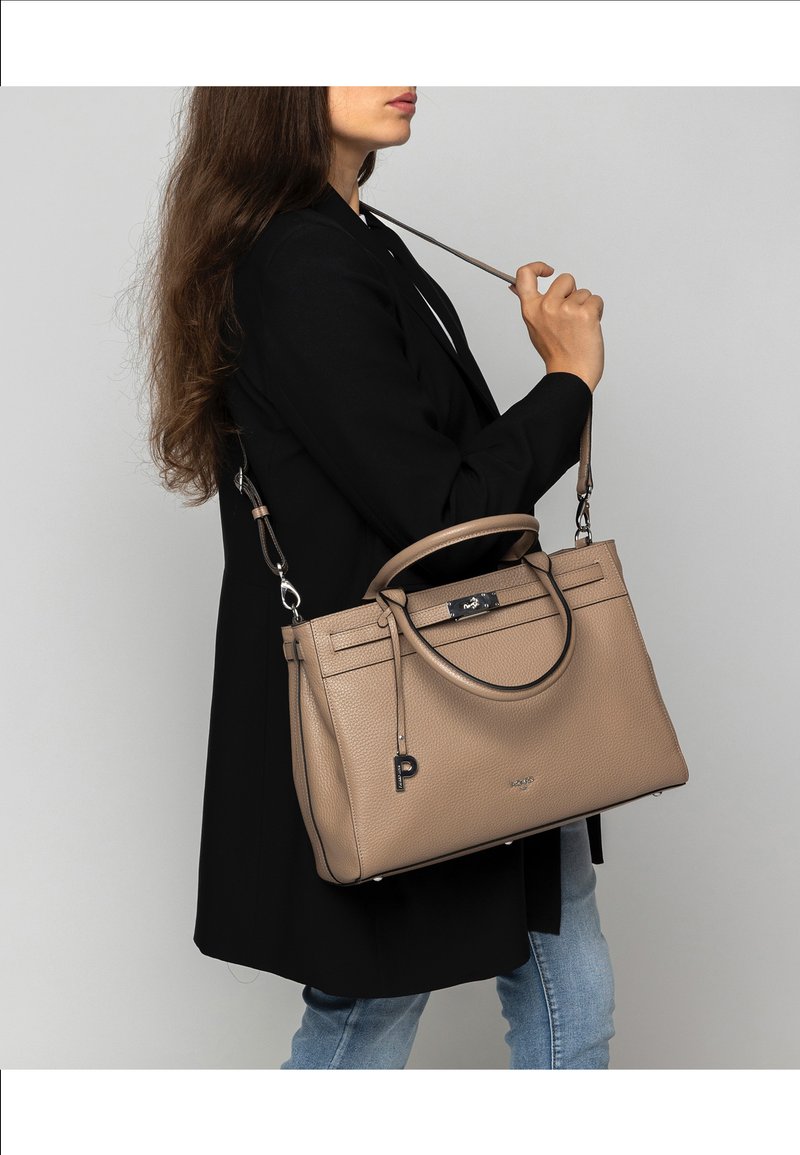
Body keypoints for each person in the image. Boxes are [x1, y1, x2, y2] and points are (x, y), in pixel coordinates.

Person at [142, 86, 615, 1068]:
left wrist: (548, 379)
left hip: (459, 674)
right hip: (405, 703)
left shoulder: (354, 234)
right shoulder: (303, 259)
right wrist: (565, 383)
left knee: (549, 947)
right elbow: (439, 511)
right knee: (369, 1004)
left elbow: (417, 468)